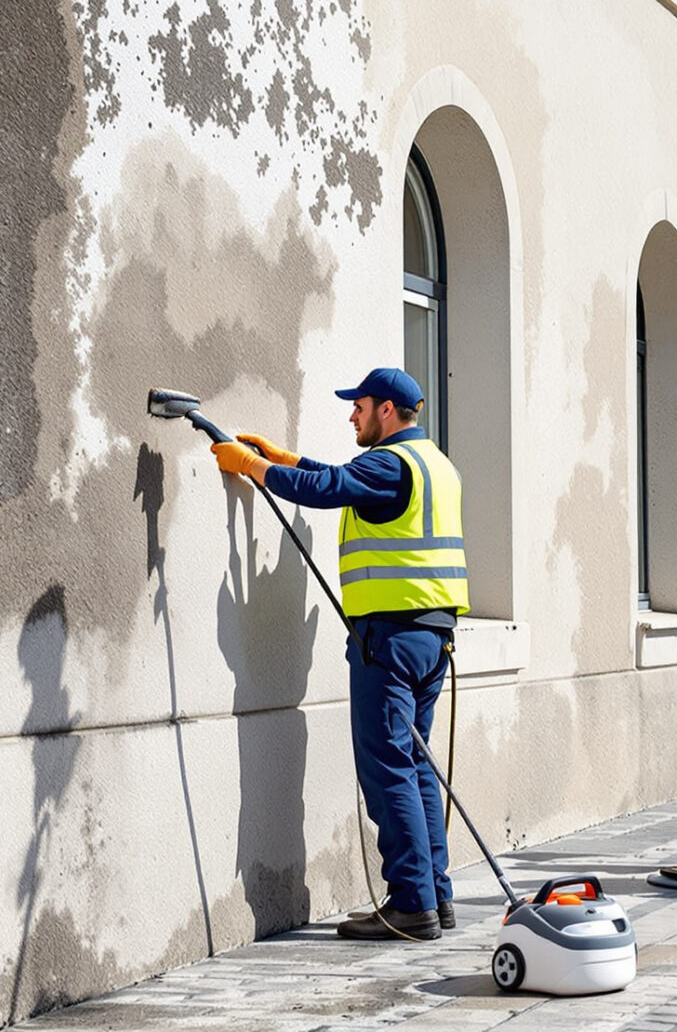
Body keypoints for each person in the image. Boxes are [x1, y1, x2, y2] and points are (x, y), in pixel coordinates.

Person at [214, 367, 466, 940]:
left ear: (386, 411)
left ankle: (410, 904)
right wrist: (288, 460)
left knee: (389, 768)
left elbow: (331, 491)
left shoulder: (387, 463)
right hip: (430, 637)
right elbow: (343, 480)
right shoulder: (433, 465)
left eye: (360, 405)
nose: (352, 414)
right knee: (417, 766)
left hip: (390, 641)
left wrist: (253, 467)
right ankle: (435, 898)